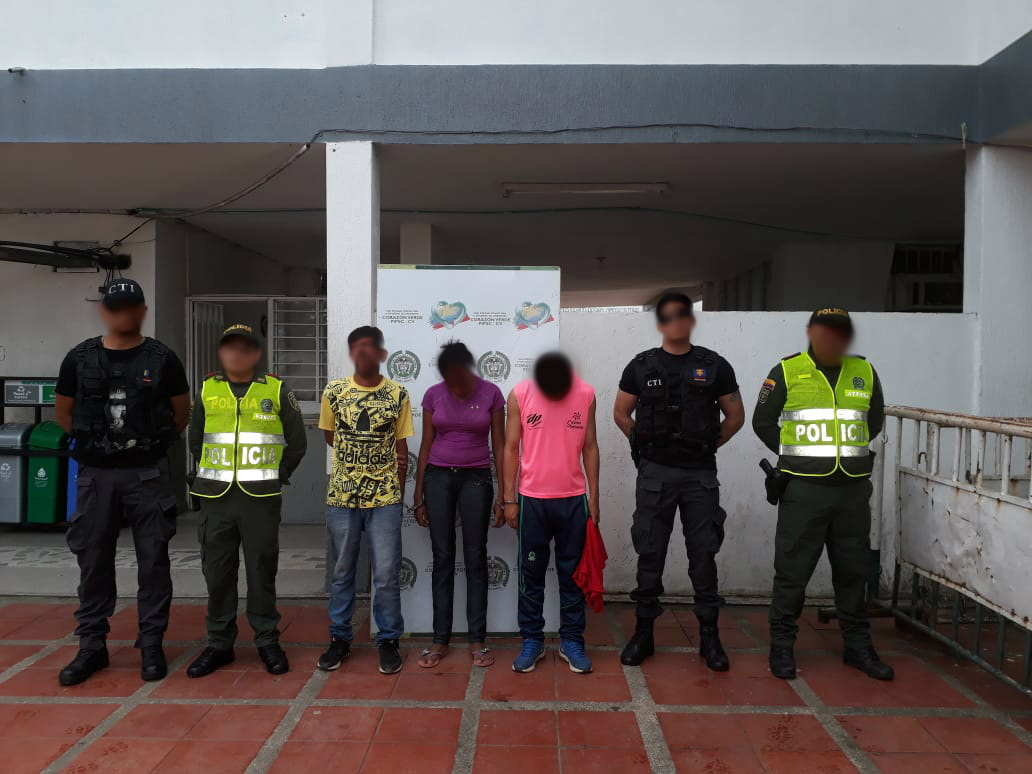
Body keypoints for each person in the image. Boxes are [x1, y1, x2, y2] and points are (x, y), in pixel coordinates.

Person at [54, 278, 190, 686]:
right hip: (96, 476)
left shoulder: (162, 358)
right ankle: (91, 646)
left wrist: (144, 448)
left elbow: (179, 415)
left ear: (143, 311)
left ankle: (151, 644)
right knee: (93, 560)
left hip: (146, 473)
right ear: (104, 312)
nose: (124, 314)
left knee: (153, 562)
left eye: (132, 307)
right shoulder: (78, 358)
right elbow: (65, 414)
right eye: (116, 307)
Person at [752, 307, 893, 681]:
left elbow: (873, 421)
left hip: (851, 492)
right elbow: (762, 422)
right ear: (810, 332)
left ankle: (857, 647)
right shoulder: (786, 370)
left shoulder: (864, 371)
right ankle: (781, 648)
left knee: (853, 571)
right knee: (792, 573)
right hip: (804, 491)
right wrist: (793, 456)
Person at [613, 292, 744, 671]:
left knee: (703, 553)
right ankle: (644, 634)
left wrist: (707, 444)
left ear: (690, 320)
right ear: (660, 323)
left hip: (699, 475)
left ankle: (709, 637)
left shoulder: (714, 366)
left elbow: (734, 415)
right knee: (649, 551)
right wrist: (644, 443)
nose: (675, 322)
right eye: (668, 316)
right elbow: (621, 413)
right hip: (655, 474)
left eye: (682, 315)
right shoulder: (641, 366)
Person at [185, 324, 308, 678]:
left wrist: (278, 473)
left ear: (257, 354)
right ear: (221, 354)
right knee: (218, 573)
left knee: (261, 572)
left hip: (260, 499)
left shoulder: (277, 390)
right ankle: (219, 644)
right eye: (229, 348)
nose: (237, 354)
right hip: (216, 498)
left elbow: (297, 443)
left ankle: (267, 641)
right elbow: (196, 441)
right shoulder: (207, 390)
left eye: (245, 348)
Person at [317, 326, 414, 675]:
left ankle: (388, 640)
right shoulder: (335, 391)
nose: (362, 353)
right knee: (342, 572)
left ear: (381, 354)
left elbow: (402, 450)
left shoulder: (398, 394)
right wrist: (356, 460)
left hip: (384, 498)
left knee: (386, 574)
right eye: (356, 348)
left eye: (369, 348)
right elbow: (331, 436)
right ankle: (339, 639)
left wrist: (396, 495)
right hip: (343, 496)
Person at [502, 352, 600, 674]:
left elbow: (590, 447)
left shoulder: (585, 394)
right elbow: (511, 448)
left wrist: (594, 498)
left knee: (573, 574)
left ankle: (572, 641)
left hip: (573, 500)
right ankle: (532, 639)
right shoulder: (520, 394)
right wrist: (509, 499)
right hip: (532, 501)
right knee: (531, 574)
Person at [412, 341, 505, 669]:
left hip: (476, 480)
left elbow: (501, 446)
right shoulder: (433, 395)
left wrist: (505, 497)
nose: (454, 381)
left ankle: (477, 640)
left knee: (476, 558)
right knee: (443, 558)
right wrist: (418, 492)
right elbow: (425, 445)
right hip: (438, 478)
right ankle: (440, 639)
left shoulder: (491, 393)